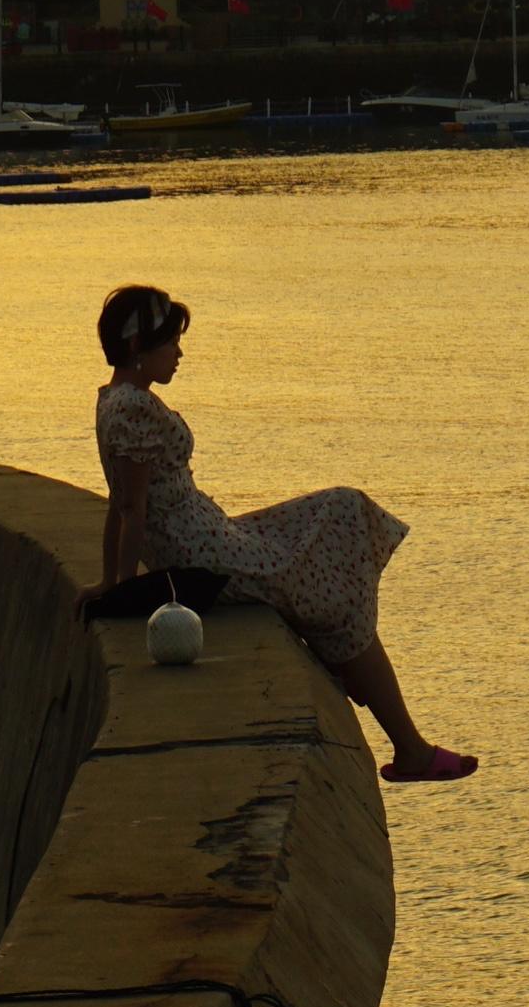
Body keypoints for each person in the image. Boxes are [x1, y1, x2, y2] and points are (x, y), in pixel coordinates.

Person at [88, 282, 476, 784]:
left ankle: (406, 740)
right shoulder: (135, 408)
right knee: (338, 572)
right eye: (170, 343)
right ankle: (410, 747)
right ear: (140, 348)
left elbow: (121, 502)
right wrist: (120, 586)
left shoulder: (113, 400)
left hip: (210, 536)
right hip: (208, 554)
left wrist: (109, 580)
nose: (179, 354)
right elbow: (129, 507)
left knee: (341, 511)